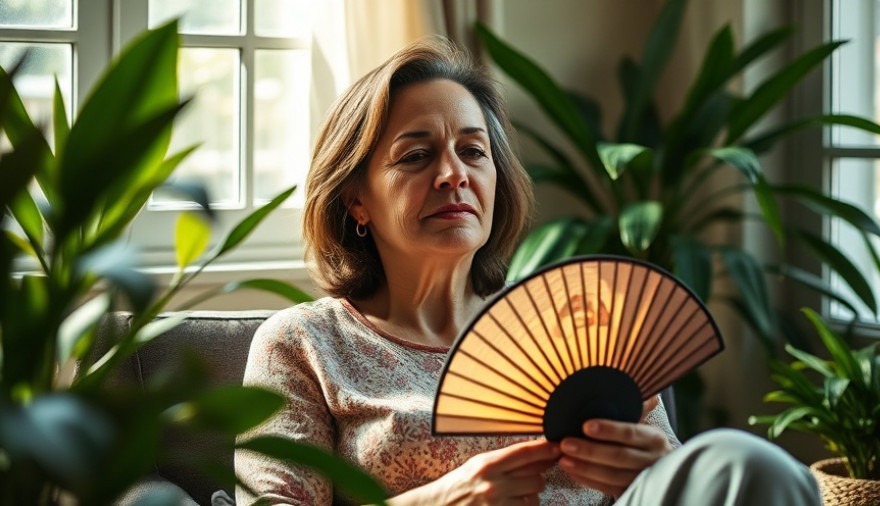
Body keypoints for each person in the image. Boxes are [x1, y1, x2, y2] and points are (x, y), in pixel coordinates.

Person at [234, 37, 821, 505]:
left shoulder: (580, 322)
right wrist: (443, 499)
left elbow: (677, 481)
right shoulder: (305, 344)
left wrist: (655, 466)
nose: (453, 174)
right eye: (416, 155)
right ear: (356, 201)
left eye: (473, 151)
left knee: (745, 462)